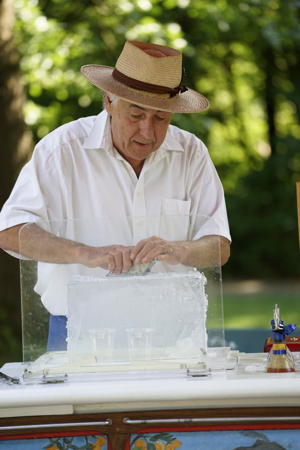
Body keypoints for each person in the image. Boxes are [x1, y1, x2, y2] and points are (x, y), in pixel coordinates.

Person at [0, 40, 231, 350]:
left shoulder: (192, 153)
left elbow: (219, 245)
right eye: (136, 115)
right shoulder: (61, 151)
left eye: (161, 118)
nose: (148, 132)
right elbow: (10, 231)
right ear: (109, 101)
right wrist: (86, 253)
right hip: (81, 334)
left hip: (176, 336)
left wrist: (181, 249)